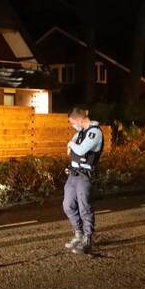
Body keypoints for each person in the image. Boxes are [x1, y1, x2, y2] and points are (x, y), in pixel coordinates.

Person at [63, 106, 104, 255]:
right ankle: (78, 234)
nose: (72, 125)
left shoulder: (95, 133)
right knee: (67, 205)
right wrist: (72, 142)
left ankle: (87, 238)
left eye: (72, 122)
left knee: (84, 207)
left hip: (85, 175)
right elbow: (74, 142)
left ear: (79, 120)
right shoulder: (80, 133)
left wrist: (71, 144)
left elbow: (80, 150)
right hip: (73, 174)